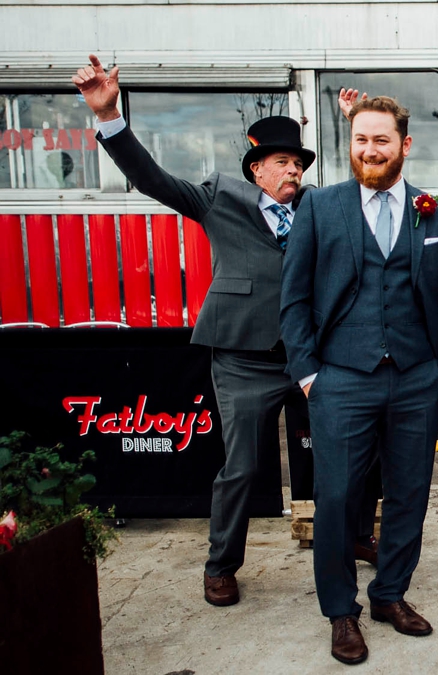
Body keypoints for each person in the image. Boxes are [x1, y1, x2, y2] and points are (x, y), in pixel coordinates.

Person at [70, 55, 379, 611]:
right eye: (283, 163)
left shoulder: (316, 205)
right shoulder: (219, 198)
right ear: (256, 168)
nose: (294, 173)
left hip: (310, 356)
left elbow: (363, 193)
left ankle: (354, 534)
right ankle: (221, 565)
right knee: (243, 465)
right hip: (241, 358)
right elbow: (151, 179)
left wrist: (352, 124)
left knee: (342, 454)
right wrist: (110, 116)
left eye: (299, 165)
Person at [279, 96, 438, 665]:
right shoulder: (320, 207)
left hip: (416, 379)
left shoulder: (433, 210)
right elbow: (294, 299)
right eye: (361, 139)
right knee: (335, 500)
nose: (370, 150)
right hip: (340, 378)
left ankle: (390, 595)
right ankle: (342, 612)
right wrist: (310, 374)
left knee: (409, 495)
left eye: (381, 140)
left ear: (404, 145)